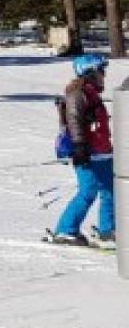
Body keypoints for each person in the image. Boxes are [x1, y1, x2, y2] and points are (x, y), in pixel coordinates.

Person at [52, 54, 116, 246]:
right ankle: (65, 229)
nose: (103, 75)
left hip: (101, 150)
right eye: (100, 71)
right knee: (88, 191)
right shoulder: (77, 94)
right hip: (87, 151)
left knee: (110, 191)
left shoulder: (91, 92)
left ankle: (108, 230)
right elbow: (74, 120)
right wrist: (79, 147)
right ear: (88, 73)